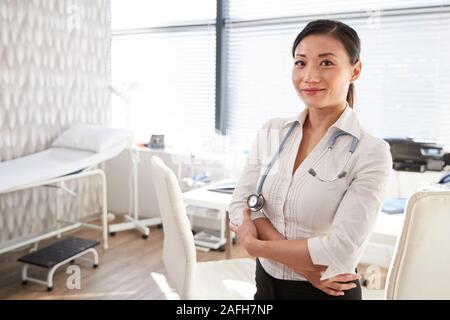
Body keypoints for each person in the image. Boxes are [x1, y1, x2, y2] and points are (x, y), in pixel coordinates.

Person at [229, 19, 393, 300]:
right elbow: (242, 205)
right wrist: (307, 269)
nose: (310, 76)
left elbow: (340, 250)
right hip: (267, 285)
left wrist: (257, 247)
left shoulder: (371, 151)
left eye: (326, 63)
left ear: (355, 70)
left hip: (329, 292)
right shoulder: (273, 131)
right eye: (300, 63)